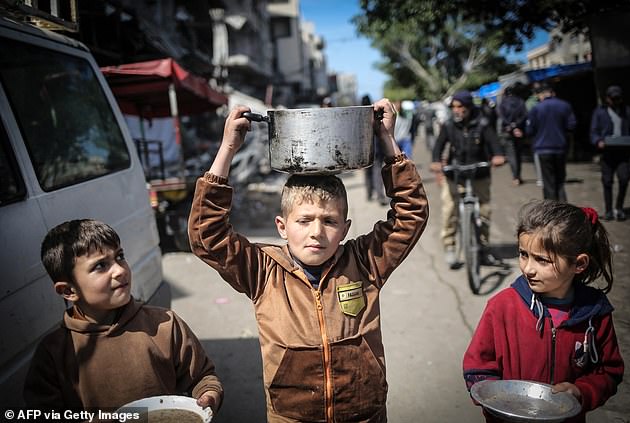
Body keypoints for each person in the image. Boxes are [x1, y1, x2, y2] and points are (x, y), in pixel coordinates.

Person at [188, 98, 428, 422]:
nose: (317, 232)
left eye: (329, 221)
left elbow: (409, 215)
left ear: (345, 229)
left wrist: (387, 140)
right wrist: (228, 147)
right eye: (304, 221)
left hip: (365, 414)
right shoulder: (263, 271)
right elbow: (207, 235)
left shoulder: (365, 262)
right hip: (291, 417)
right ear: (282, 227)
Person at [24, 219, 223, 413]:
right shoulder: (53, 353)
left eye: (120, 256)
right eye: (101, 265)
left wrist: (209, 395)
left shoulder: (164, 324)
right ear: (68, 290)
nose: (120, 270)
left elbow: (203, 377)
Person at [463, 200, 624, 423]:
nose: (528, 268)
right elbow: (477, 367)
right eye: (523, 254)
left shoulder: (594, 313)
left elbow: (609, 372)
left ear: (579, 264)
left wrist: (581, 391)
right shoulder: (502, 307)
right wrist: (495, 400)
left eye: (542, 260)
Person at [430, 90, 505, 268]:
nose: (457, 110)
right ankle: (449, 246)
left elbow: (495, 144)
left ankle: (483, 249)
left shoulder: (483, 124)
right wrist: (435, 162)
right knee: (449, 209)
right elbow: (438, 146)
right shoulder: (449, 125)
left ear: (469, 107)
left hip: (479, 173)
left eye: (460, 106)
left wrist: (498, 156)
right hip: (454, 173)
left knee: (484, 212)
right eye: (454, 107)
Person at [525, 84, 576, 201]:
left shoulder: (536, 108)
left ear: (541, 95)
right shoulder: (564, 106)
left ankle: (551, 209)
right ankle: (563, 207)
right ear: (553, 93)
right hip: (560, 147)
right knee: (560, 180)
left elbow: (529, 130)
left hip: (543, 149)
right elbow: (571, 125)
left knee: (548, 181)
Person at [590, 85, 630, 221]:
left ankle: (619, 208)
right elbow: (593, 131)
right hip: (607, 152)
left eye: (617, 98)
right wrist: (598, 141)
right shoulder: (600, 112)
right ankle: (609, 210)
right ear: (607, 98)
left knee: (624, 178)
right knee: (607, 181)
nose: (615, 101)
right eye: (612, 98)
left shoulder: (627, 111)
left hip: (624, 152)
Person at [498, 84, 528, 186]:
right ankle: (518, 175)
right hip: (519, 132)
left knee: (511, 156)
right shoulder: (520, 101)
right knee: (518, 155)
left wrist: (511, 126)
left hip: (507, 132)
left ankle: (515, 177)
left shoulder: (503, 103)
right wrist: (516, 126)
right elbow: (524, 116)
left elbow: (502, 117)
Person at [362, 94, 388, 205]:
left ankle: (369, 193)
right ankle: (379, 196)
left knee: (368, 173)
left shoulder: (359, 116)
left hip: (364, 150)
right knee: (377, 172)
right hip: (376, 149)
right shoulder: (374, 113)